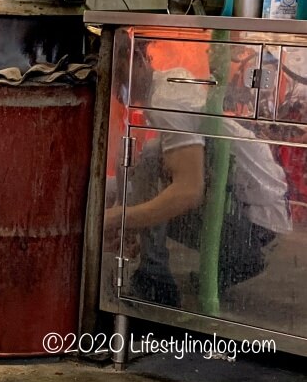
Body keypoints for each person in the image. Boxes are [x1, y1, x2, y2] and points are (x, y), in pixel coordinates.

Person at [105, 66, 291, 308]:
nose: (113, 84)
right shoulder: (170, 80)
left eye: (115, 71)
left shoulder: (166, 101)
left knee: (148, 163)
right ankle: (225, 264)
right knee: (134, 174)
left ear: (137, 57)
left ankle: (155, 278)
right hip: (264, 213)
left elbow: (188, 191)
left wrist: (121, 218)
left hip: (254, 224)